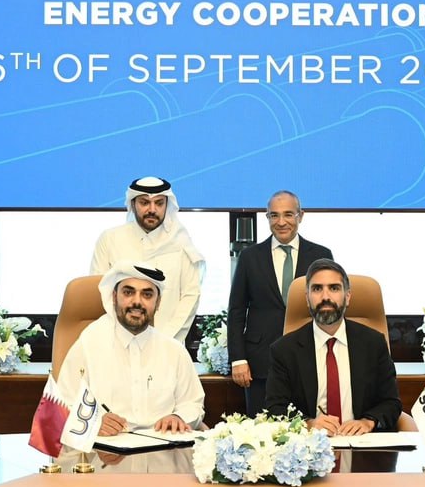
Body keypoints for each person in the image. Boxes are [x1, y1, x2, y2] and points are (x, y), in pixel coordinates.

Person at [59, 262, 205, 435]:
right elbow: (62, 403)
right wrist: (93, 421)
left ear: (158, 303)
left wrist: (178, 417)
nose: (137, 301)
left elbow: (192, 403)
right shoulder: (89, 345)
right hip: (106, 445)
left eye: (147, 295)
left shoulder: (174, 351)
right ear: (114, 297)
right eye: (128, 293)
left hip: (162, 444)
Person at [263, 258, 400, 434]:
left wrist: (368, 421)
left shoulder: (373, 343)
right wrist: (308, 424)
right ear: (307, 298)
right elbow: (275, 408)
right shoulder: (284, 350)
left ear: (347, 297)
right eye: (317, 289)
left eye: (334, 288)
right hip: (310, 443)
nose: (325, 297)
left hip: (362, 441)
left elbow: (391, 402)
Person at [227, 190, 333, 415]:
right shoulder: (250, 257)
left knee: (307, 428)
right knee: (261, 429)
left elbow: (330, 307)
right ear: (267, 218)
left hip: (308, 358)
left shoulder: (321, 256)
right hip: (259, 363)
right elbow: (236, 310)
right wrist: (238, 359)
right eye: (274, 215)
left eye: (288, 214)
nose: (281, 222)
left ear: (300, 216)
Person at [91, 177, 204, 343]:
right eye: (144, 203)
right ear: (133, 204)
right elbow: (100, 291)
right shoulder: (110, 239)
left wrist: (164, 340)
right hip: (117, 343)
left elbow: (191, 296)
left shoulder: (181, 243)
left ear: (167, 205)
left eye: (159, 203)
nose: (152, 209)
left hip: (168, 343)